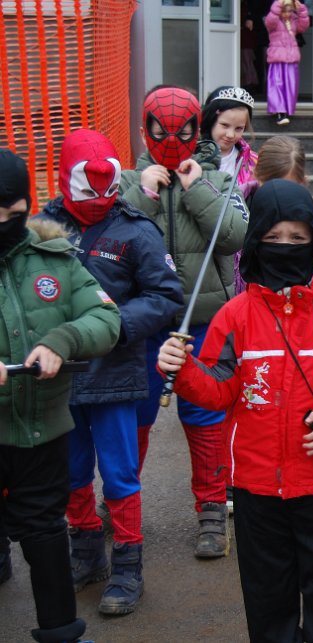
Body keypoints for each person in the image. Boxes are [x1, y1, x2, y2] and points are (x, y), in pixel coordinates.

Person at [157, 179, 313, 643]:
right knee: (266, 592)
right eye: (273, 236)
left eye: (298, 237)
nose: (285, 246)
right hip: (255, 486)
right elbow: (217, 389)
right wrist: (183, 371)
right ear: (255, 242)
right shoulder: (234, 316)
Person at [35, 130, 183, 616]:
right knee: (71, 470)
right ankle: (86, 551)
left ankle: (127, 564)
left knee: (120, 474)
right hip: (59, 378)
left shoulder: (137, 230)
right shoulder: (42, 230)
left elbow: (166, 295)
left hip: (116, 373)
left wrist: (117, 326)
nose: (98, 199)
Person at [120, 85, 249, 559]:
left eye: (183, 131)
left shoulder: (219, 179)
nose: (172, 141)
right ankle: (123, 507)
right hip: (144, 323)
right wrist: (144, 194)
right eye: (160, 132)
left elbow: (235, 236)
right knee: (135, 415)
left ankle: (212, 507)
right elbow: (113, 243)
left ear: (198, 131)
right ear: (144, 132)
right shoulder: (128, 183)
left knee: (205, 415)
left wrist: (198, 190)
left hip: (203, 321)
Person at [0, 147, 121, 643]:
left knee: (46, 532)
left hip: (40, 427)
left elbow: (105, 317)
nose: (3, 224)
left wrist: (62, 339)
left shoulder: (55, 259)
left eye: (12, 214)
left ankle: (60, 632)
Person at [234, 134, 308, 297]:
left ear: (302, 182)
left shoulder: (307, 222)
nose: (277, 194)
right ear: (257, 175)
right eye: (270, 185)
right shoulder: (236, 212)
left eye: (286, 186)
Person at [200, 85, 259, 199]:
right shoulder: (192, 157)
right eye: (225, 125)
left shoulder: (255, 163)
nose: (230, 135)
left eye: (239, 128)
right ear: (211, 120)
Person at [264, 0, 310, 126]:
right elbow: (271, 19)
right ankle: (280, 112)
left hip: (291, 59)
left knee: (290, 86)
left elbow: (303, 25)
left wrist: (301, 9)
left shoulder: (293, 20)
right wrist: (279, 2)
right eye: (284, 11)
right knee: (277, 85)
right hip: (277, 59)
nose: (287, 14)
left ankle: (287, 110)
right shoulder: (273, 21)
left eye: (290, 11)